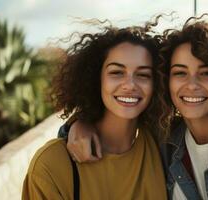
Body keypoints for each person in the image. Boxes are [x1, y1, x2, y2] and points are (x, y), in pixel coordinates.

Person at [59, 15, 208, 199]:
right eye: (180, 73)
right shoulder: (164, 138)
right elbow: (114, 125)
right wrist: (79, 124)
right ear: (166, 80)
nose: (191, 85)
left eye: (206, 73)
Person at [22, 20, 169, 199]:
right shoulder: (51, 165)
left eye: (143, 75)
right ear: (95, 78)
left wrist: (76, 122)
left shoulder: (164, 144)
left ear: (157, 84)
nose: (130, 85)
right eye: (116, 72)